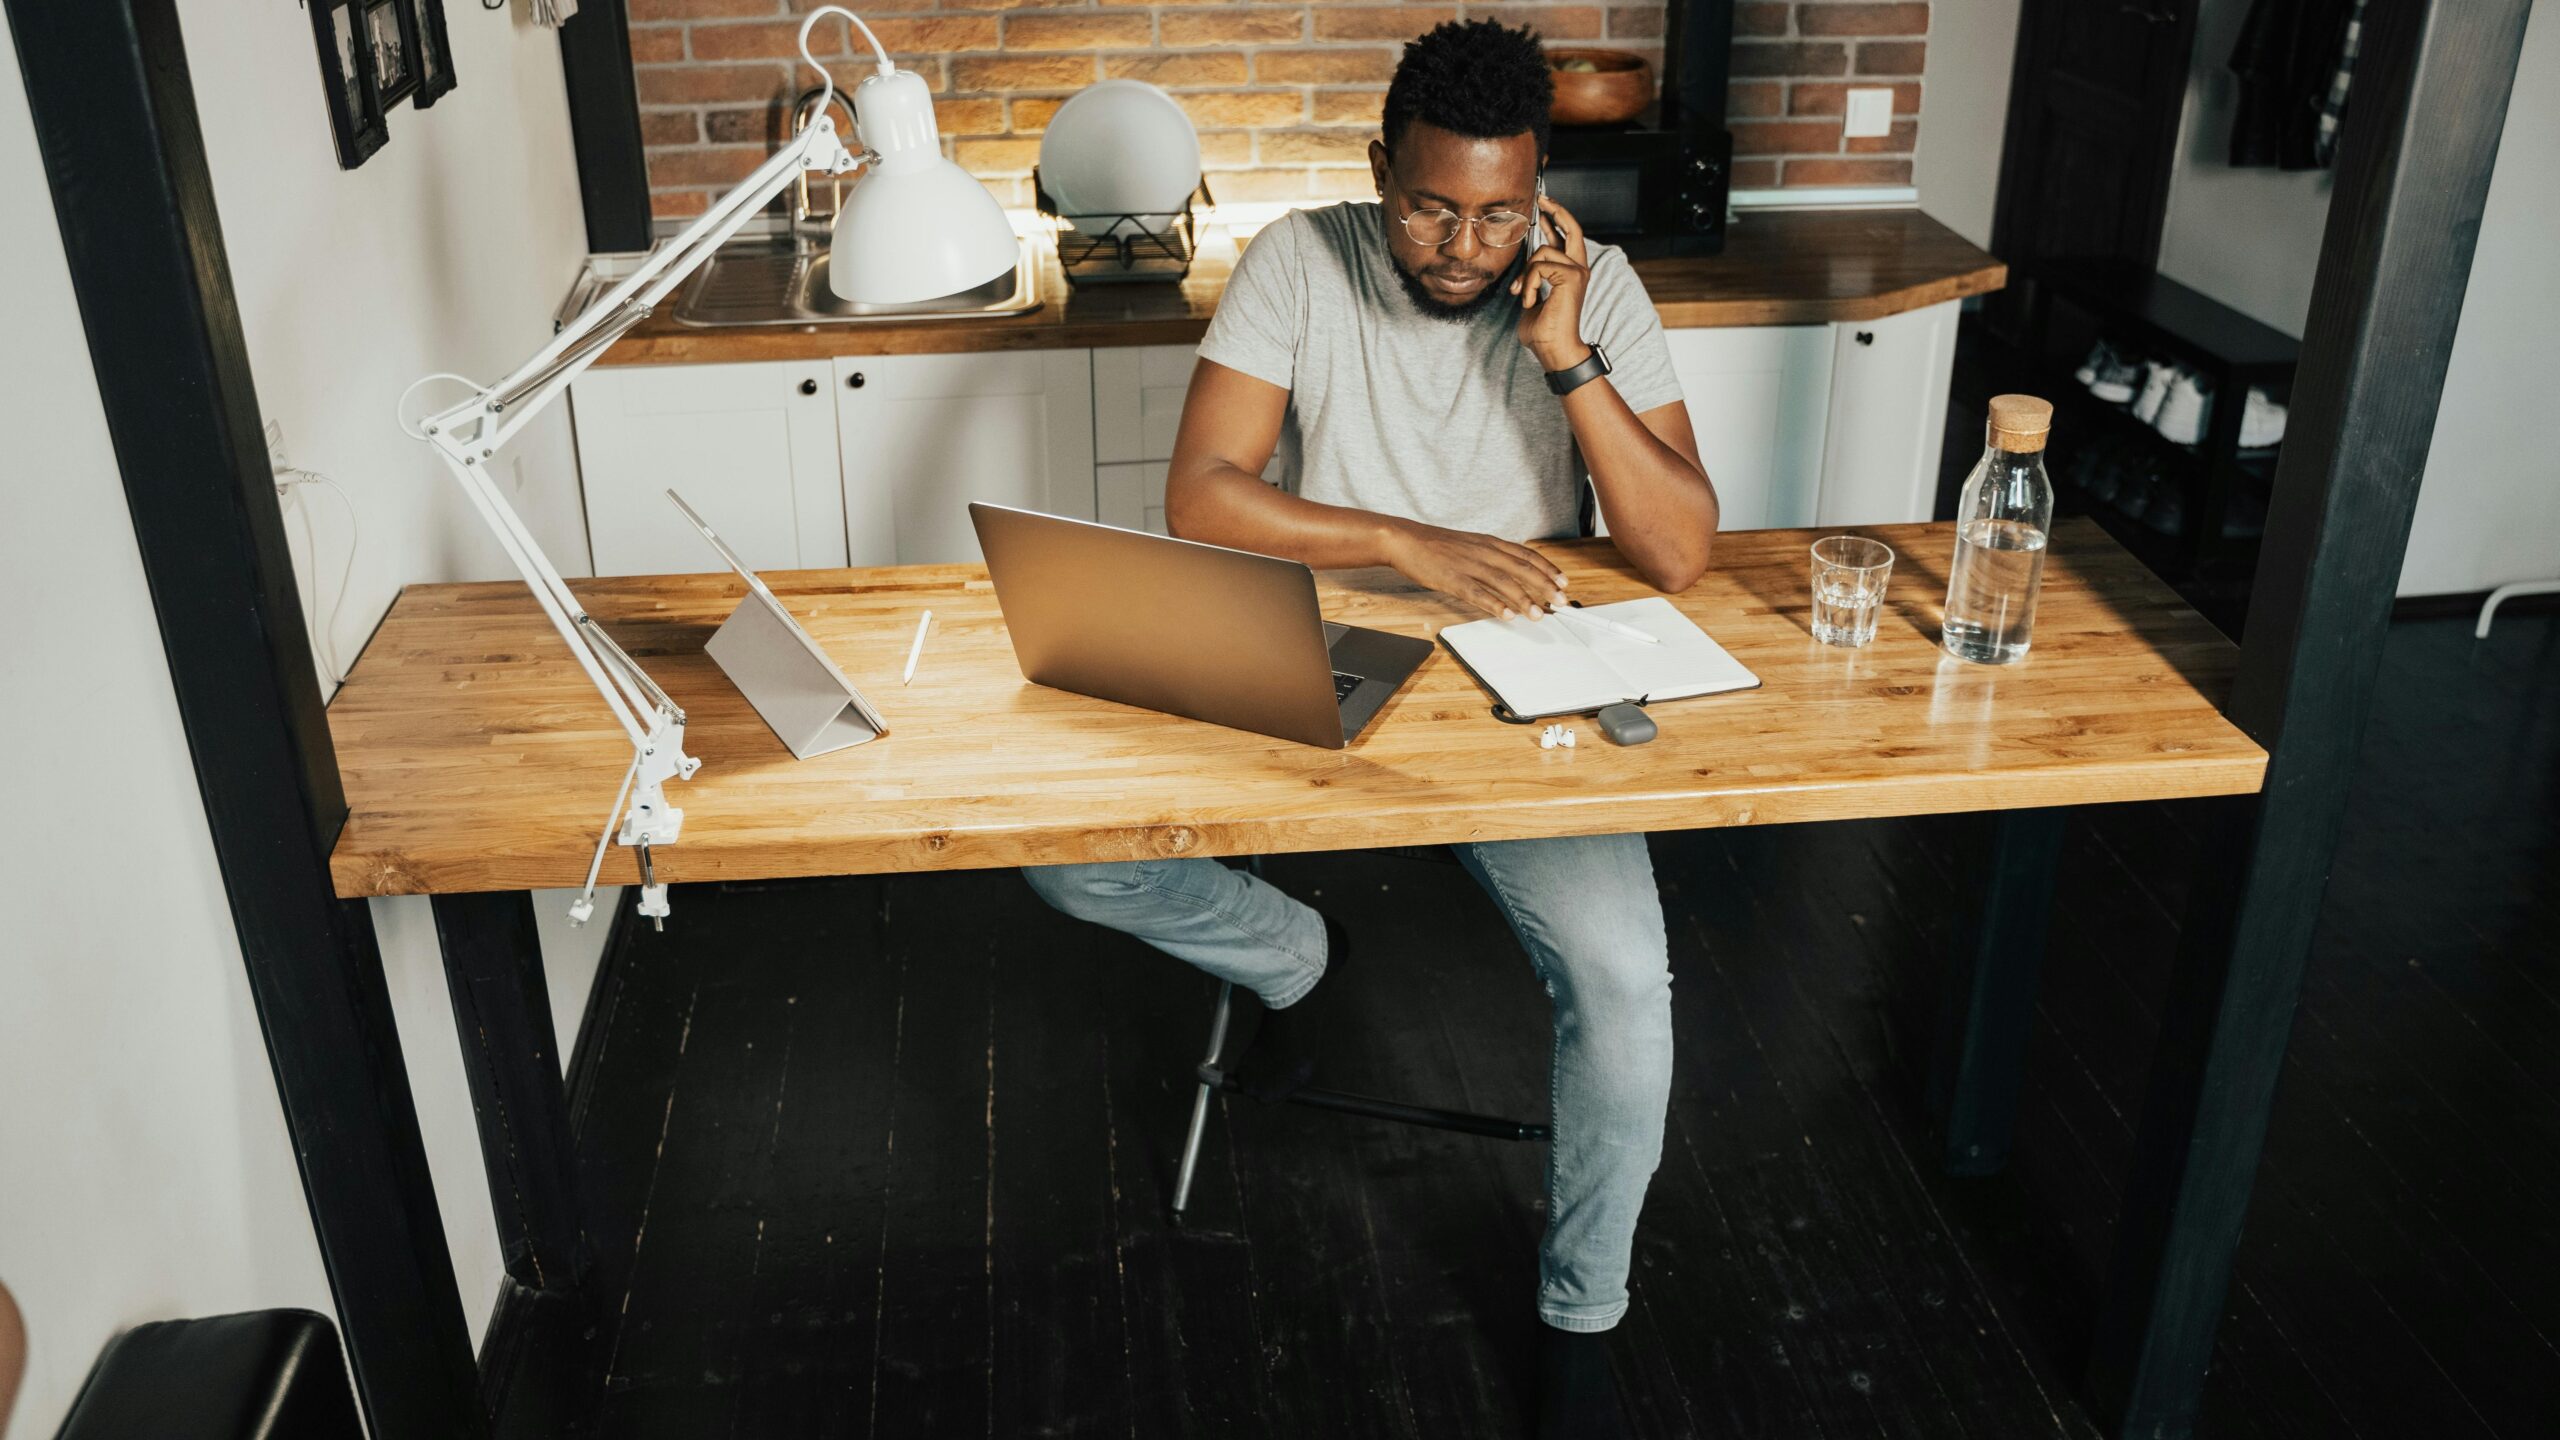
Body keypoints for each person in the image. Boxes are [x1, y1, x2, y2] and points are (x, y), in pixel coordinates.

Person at [1023, 19, 1716, 1435]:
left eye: (1498, 213)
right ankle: (1293, 953)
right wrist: (1410, 541)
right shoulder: (1299, 256)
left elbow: (1683, 550)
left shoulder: (1600, 288)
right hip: (1323, 641)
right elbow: (1203, 496)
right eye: (1428, 205)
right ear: (1375, 170)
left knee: (1626, 991)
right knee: (1070, 857)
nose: (1462, 244)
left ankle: (1582, 1312)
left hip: (1529, 669)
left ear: (1539, 196)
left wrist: (1570, 360)